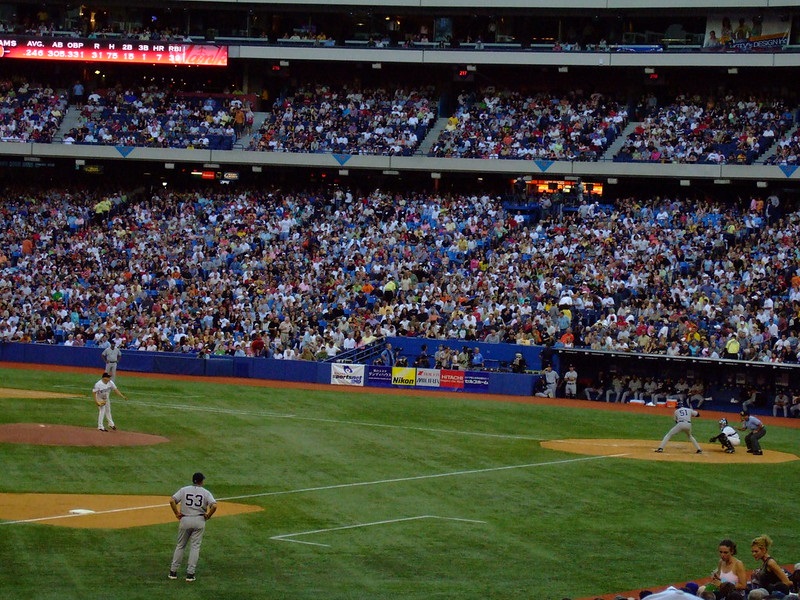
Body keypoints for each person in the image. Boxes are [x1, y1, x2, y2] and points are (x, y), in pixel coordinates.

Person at [169, 472, 217, 582]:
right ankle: (190, 574)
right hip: (199, 520)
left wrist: (176, 513)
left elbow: (172, 500)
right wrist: (208, 515)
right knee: (195, 547)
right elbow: (214, 505)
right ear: (201, 481)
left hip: (185, 519)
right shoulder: (205, 492)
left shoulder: (184, 489)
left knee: (180, 545)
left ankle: (173, 572)